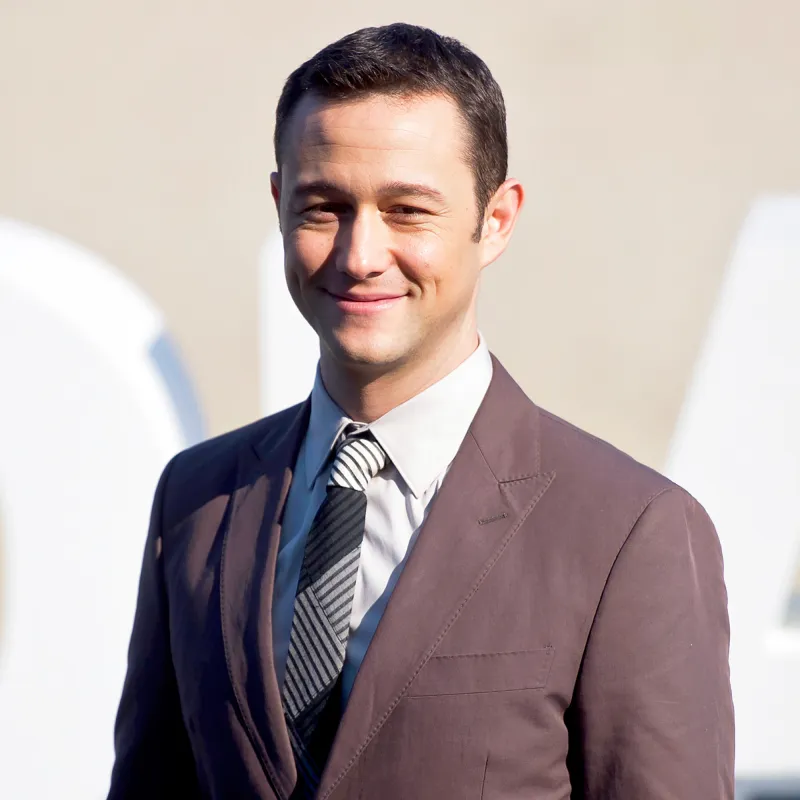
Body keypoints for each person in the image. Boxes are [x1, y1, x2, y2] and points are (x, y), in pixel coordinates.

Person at [108, 22, 734, 800]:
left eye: (407, 210)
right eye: (323, 206)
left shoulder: (629, 532)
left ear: (496, 220)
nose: (361, 253)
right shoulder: (196, 503)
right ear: (278, 205)